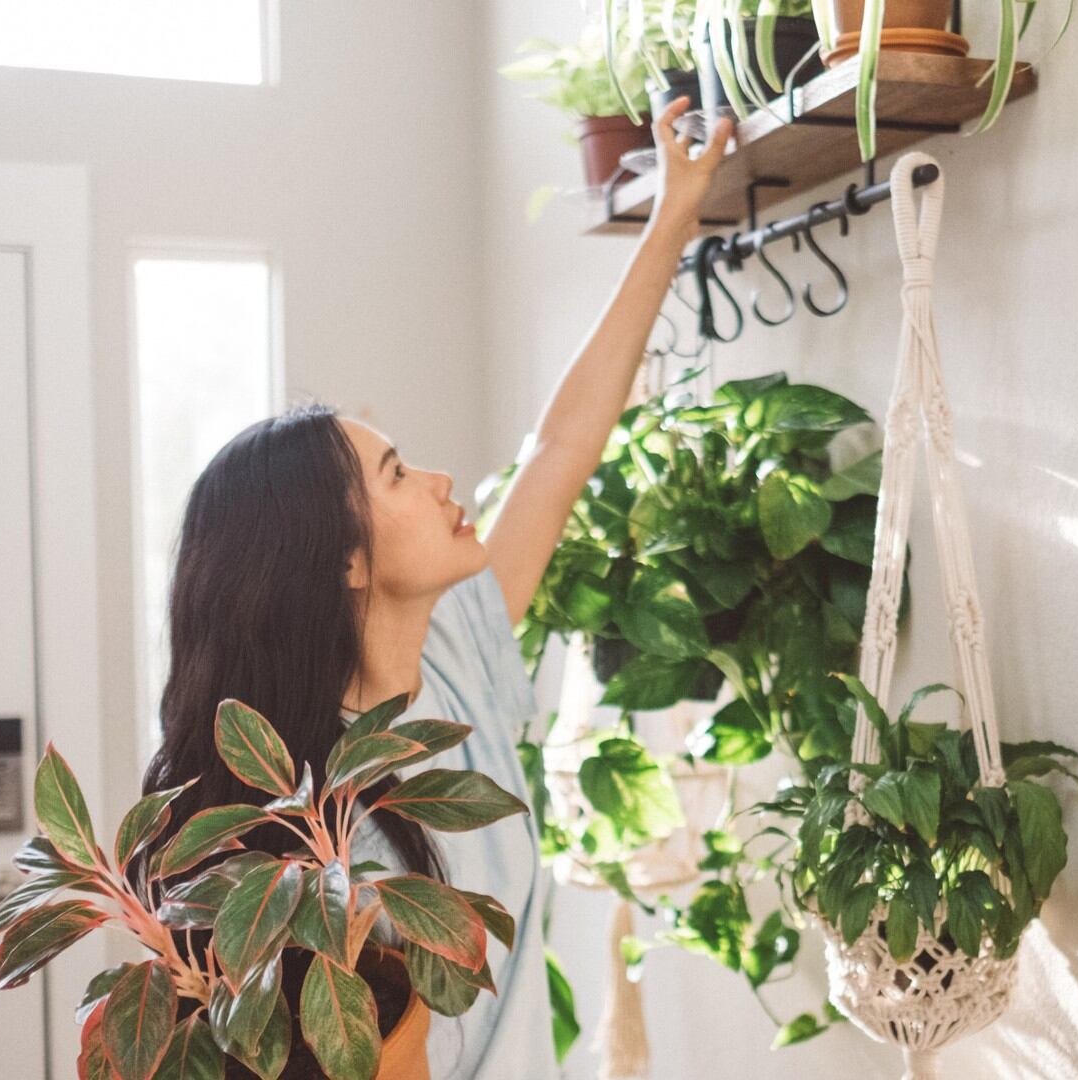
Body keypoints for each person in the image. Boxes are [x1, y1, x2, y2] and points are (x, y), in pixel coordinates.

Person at [140, 99, 733, 1078]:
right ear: (344, 561)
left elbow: (559, 449)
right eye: (398, 474)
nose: (442, 481)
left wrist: (675, 210)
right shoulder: (328, 854)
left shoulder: (451, 653)